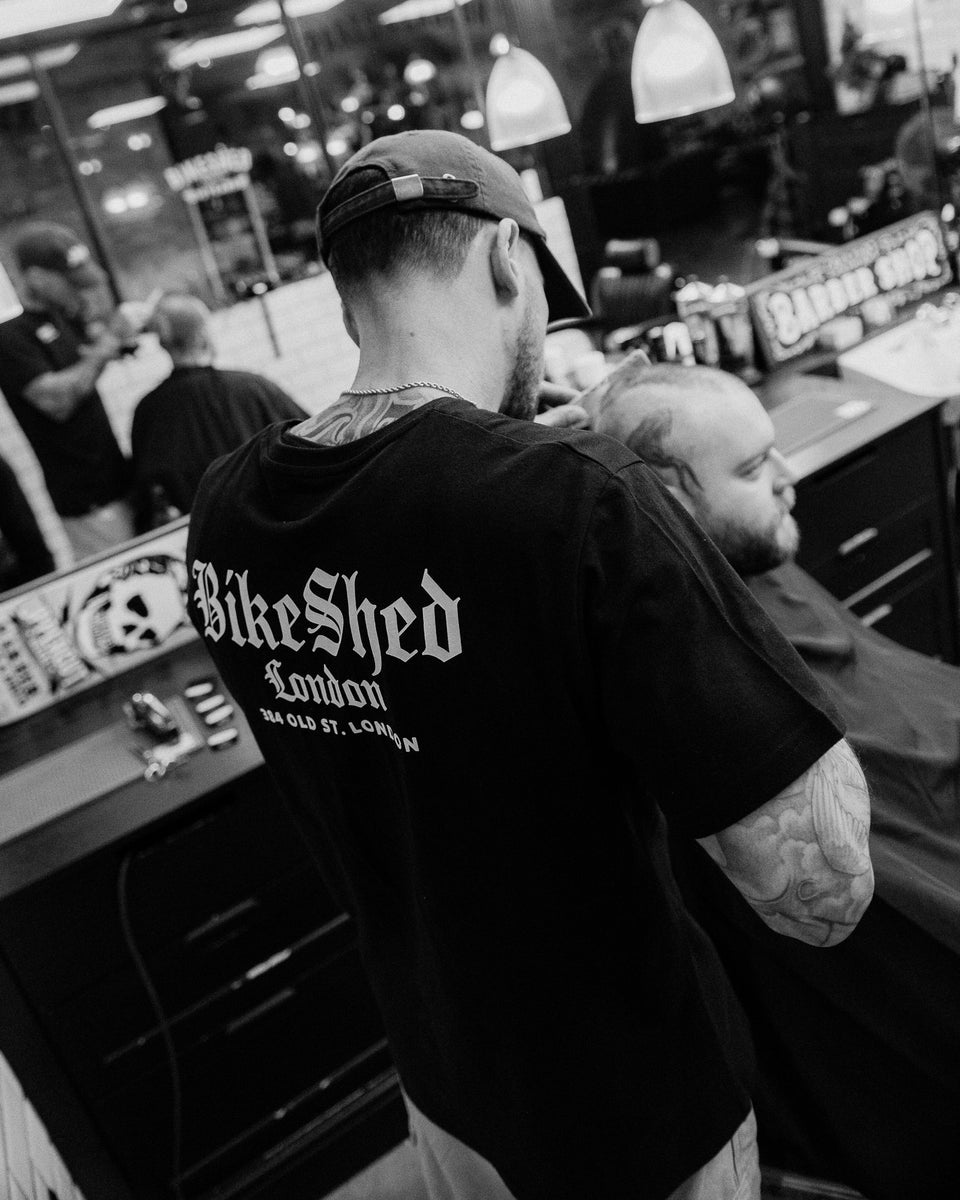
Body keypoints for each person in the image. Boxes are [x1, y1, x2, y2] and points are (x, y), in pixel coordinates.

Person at [186, 130, 872, 1200]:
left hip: (445, 1082)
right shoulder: (572, 496)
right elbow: (821, 889)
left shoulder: (226, 511)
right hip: (638, 1105)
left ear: (346, 292)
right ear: (509, 257)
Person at [588, 358, 960, 1199]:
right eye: (756, 470)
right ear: (673, 501)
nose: (790, 480)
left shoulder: (747, 564)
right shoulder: (687, 676)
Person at [0, 223, 152, 561]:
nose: (76, 290)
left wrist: (123, 337)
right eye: (68, 282)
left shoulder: (66, 320)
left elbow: (86, 365)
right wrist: (110, 341)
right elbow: (56, 402)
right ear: (36, 278)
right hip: (87, 503)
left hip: (119, 479)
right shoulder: (10, 339)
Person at [130, 293, 306, 525]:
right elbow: (311, 442)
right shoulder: (253, 388)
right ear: (204, 334)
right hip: (273, 525)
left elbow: (146, 496)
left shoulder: (148, 411)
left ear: (163, 342)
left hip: (204, 539)